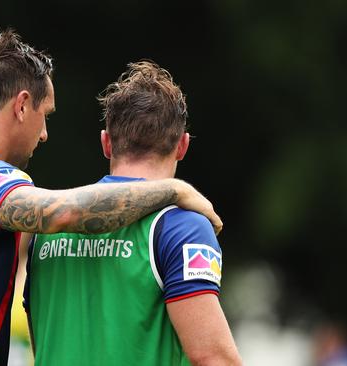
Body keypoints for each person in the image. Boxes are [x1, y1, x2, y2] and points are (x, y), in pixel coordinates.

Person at [0, 30, 222, 366]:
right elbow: (60, 214)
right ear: (21, 105)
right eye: (45, 116)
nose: (44, 134)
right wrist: (174, 190)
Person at [24, 61, 241, 365]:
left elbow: (43, 342)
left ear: (106, 143)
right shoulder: (181, 226)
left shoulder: (46, 230)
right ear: (182, 146)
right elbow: (215, 358)